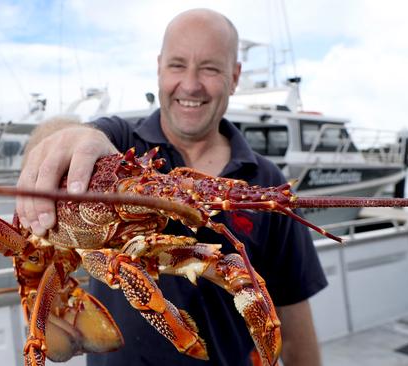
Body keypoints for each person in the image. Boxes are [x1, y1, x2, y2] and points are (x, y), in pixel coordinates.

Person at [17, 8, 327, 366]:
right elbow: (72, 138)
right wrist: (71, 139)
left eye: (210, 68)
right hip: (84, 284)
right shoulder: (118, 142)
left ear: (234, 76)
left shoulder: (265, 180)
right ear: (160, 68)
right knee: (131, 269)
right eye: (178, 65)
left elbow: (293, 315)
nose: (191, 84)